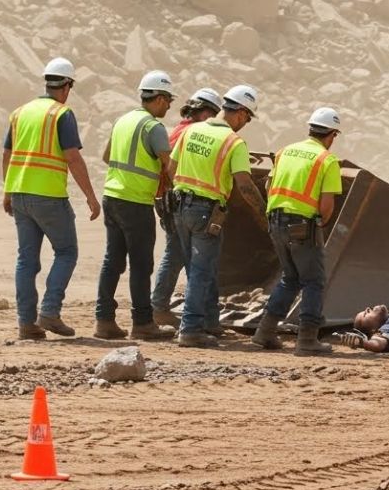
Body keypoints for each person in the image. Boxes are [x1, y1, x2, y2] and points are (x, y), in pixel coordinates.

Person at [2, 57, 100, 340]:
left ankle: (26, 324)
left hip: (20, 194)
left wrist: (8, 190)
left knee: (26, 260)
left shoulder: (19, 112)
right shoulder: (61, 114)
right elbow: (73, 157)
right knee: (67, 252)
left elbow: (6, 154)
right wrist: (91, 198)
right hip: (49, 196)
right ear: (67, 86)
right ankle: (50, 312)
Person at [169, 84, 267, 349]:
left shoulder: (190, 131)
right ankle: (190, 329)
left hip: (180, 207)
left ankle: (210, 322)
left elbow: (171, 167)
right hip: (206, 212)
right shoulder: (234, 142)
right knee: (201, 272)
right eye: (247, 117)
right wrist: (264, 214)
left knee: (202, 268)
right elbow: (244, 184)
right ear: (240, 112)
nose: (245, 123)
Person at [252, 107, 343, 356]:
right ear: (332, 134)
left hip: (275, 221)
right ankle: (307, 339)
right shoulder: (327, 160)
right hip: (303, 226)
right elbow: (326, 208)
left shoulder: (284, 152)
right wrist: (316, 227)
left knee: (290, 277)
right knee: (313, 281)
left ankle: (265, 331)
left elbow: (269, 185)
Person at [94, 71, 176, 342]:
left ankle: (104, 321)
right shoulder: (153, 127)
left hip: (112, 197)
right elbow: (170, 167)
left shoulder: (123, 120)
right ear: (161, 98)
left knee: (112, 260)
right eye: (169, 101)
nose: (169, 106)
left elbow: (107, 156)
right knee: (141, 265)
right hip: (136, 203)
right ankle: (142, 323)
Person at [151, 87, 223, 330]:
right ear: (205, 113)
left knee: (177, 254)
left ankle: (162, 307)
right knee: (178, 255)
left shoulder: (180, 129)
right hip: (179, 201)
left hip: (169, 199)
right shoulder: (192, 132)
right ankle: (162, 308)